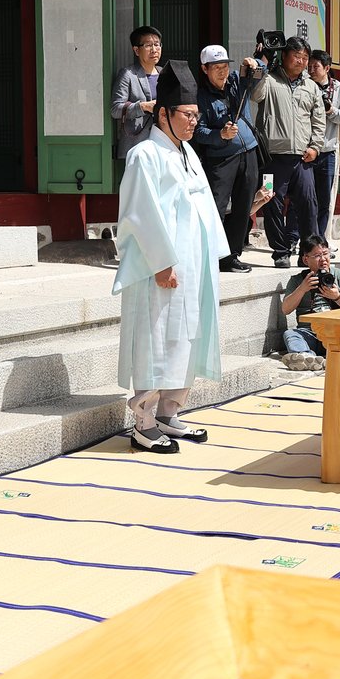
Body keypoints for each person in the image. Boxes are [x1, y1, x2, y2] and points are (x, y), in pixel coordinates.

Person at [112, 61, 226, 453]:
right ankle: (143, 422)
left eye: (196, 115)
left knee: (185, 337)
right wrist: (161, 262)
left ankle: (169, 412)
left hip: (193, 262)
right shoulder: (145, 154)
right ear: (164, 114)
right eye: (187, 115)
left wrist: (212, 254)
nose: (194, 121)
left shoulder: (187, 152)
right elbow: (139, 212)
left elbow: (203, 206)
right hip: (160, 266)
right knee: (156, 338)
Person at [192, 45, 267, 273]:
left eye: (225, 66)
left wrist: (255, 63)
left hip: (248, 152)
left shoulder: (236, 80)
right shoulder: (200, 96)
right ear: (205, 69)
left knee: (244, 206)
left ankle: (232, 255)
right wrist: (220, 135)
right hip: (221, 159)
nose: (222, 71)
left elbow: (262, 71)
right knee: (217, 207)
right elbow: (198, 131)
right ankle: (213, 254)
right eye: (216, 67)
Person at [252, 37, 325, 269]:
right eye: (296, 56)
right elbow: (255, 94)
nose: (301, 61)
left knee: (308, 205)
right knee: (271, 204)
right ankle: (280, 252)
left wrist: (315, 147)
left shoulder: (311, 86)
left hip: (303, 159)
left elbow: (319, 120)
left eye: (305, 57)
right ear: (284, 56)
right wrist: (262, 63)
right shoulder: (270, 79)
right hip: (273, 157)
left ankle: (308, 254)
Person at [278, 235, 340, 369]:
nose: (323, 259)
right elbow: (285, 309)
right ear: (305, 259)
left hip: (335, 332)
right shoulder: (298, 280)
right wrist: (302, 289)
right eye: (317, 256)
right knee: (290, 334)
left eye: (325, 253)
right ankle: (307, 357)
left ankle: (310, 359)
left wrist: (337, 297)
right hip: (309, 332)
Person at [307, 50, 340, 242]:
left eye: (315, 66)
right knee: (301, 196)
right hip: (305, 150)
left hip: (327, 151)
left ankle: (320, 241)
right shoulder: (304, 85)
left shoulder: (339, 89)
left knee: (324, 200)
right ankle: (298, 239)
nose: (311, 70)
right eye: (309, 66)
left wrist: (331, 110)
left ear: (327, 68)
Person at [110, 26, 165, 161]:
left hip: (162, 146)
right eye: (148, 45)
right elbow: (115, 109)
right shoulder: (128, 74)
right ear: (136, 50)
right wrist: (143, 106)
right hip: (136, 147)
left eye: (157, 44)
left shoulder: (164, 73)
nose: (154, 50)